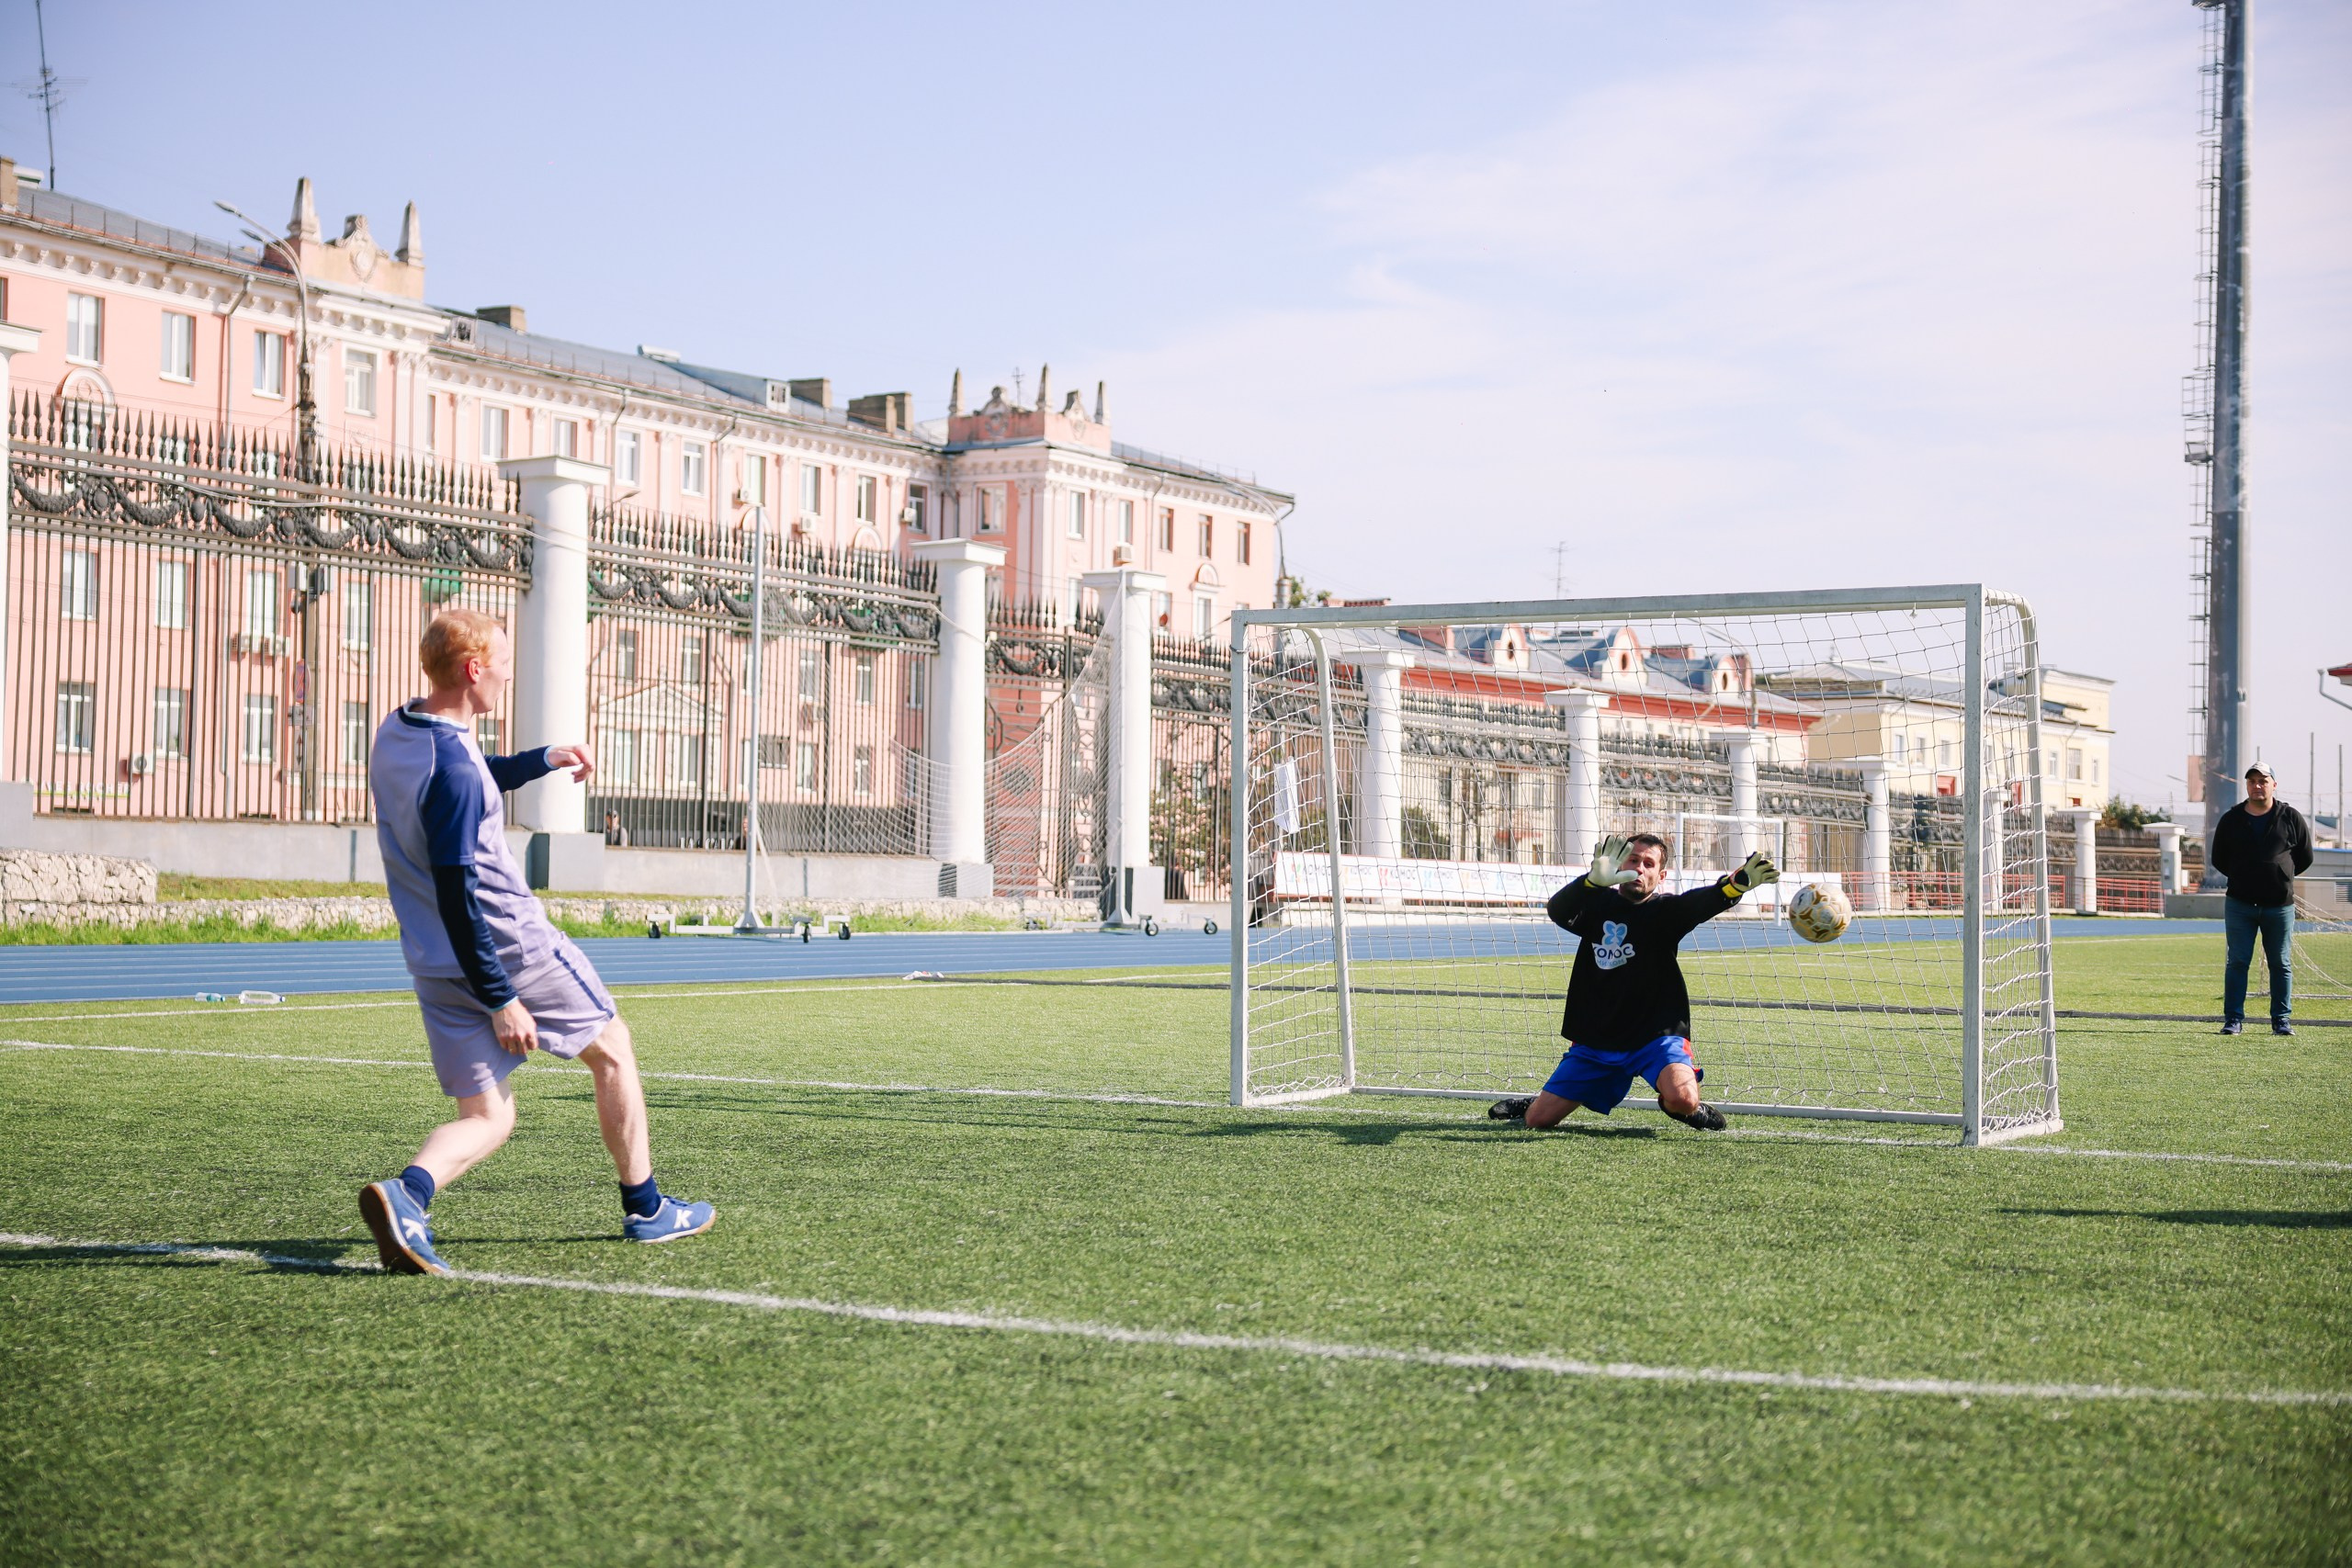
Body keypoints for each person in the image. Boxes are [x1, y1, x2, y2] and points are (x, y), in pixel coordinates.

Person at [358, 609, 715, 1276]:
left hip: (434, 965)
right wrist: (502, 998)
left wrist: (538, 761)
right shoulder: (456, 773)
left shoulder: (397, 731)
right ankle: (646, 1208)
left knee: (489, 1116)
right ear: (473, 671)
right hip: (509, 950)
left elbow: (462, 777)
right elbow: (460, 887)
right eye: (502, 666)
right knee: (612, 1048)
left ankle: (407, 1194)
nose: (507, 676)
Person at [1489, 832, 1778, 1132]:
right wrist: (1590, 882)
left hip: (1656, 1036)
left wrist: (1732, 887)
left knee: (1683, 1099)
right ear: (1618, 864)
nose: (1640, 868)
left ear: (1660, 875)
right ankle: (1538, 1102)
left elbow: (1698, 903)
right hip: (1598, 1037)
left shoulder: (1666, 912)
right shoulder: (1596, 904)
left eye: (1649, 863)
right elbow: (1558, 911)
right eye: (1634, 859)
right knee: (1537, 1121)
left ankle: (1681, 1108)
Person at [2208, 761, 2313, 1036]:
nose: (2257, 785)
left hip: (2278, 907)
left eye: (2263, 780)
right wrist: (2246, 876)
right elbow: (2218, 857)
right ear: (2247, 785)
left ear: (2273, 785)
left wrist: (2281, 876)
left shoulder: (2290, 817)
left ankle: (2281, 1020)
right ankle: (2233, 1019)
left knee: (2280, 962)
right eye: (2252, 781)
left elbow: (2305, 856)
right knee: (2238, 962)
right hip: (2240, 905)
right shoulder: (2231, 819)